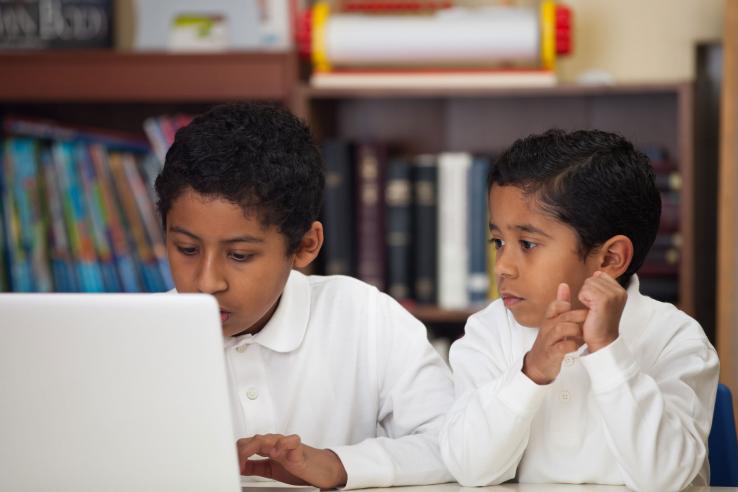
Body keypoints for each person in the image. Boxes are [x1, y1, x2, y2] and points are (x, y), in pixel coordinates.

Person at [154, 102, 453, 489]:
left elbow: (453, 444)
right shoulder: (139, 341)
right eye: (187, 249)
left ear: (305, 246)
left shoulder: (364, 317)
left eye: (239, 255)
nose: (208, 281)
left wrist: (339, 465)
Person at [439, 129, 719, 491]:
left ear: (609, 258)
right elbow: (470, 469)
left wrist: (608, 354)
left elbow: (664, 480)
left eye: (527, 243)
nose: (502, 266)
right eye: (498, 242)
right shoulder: (489, 331)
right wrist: (531, 373)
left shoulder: (675, 337)